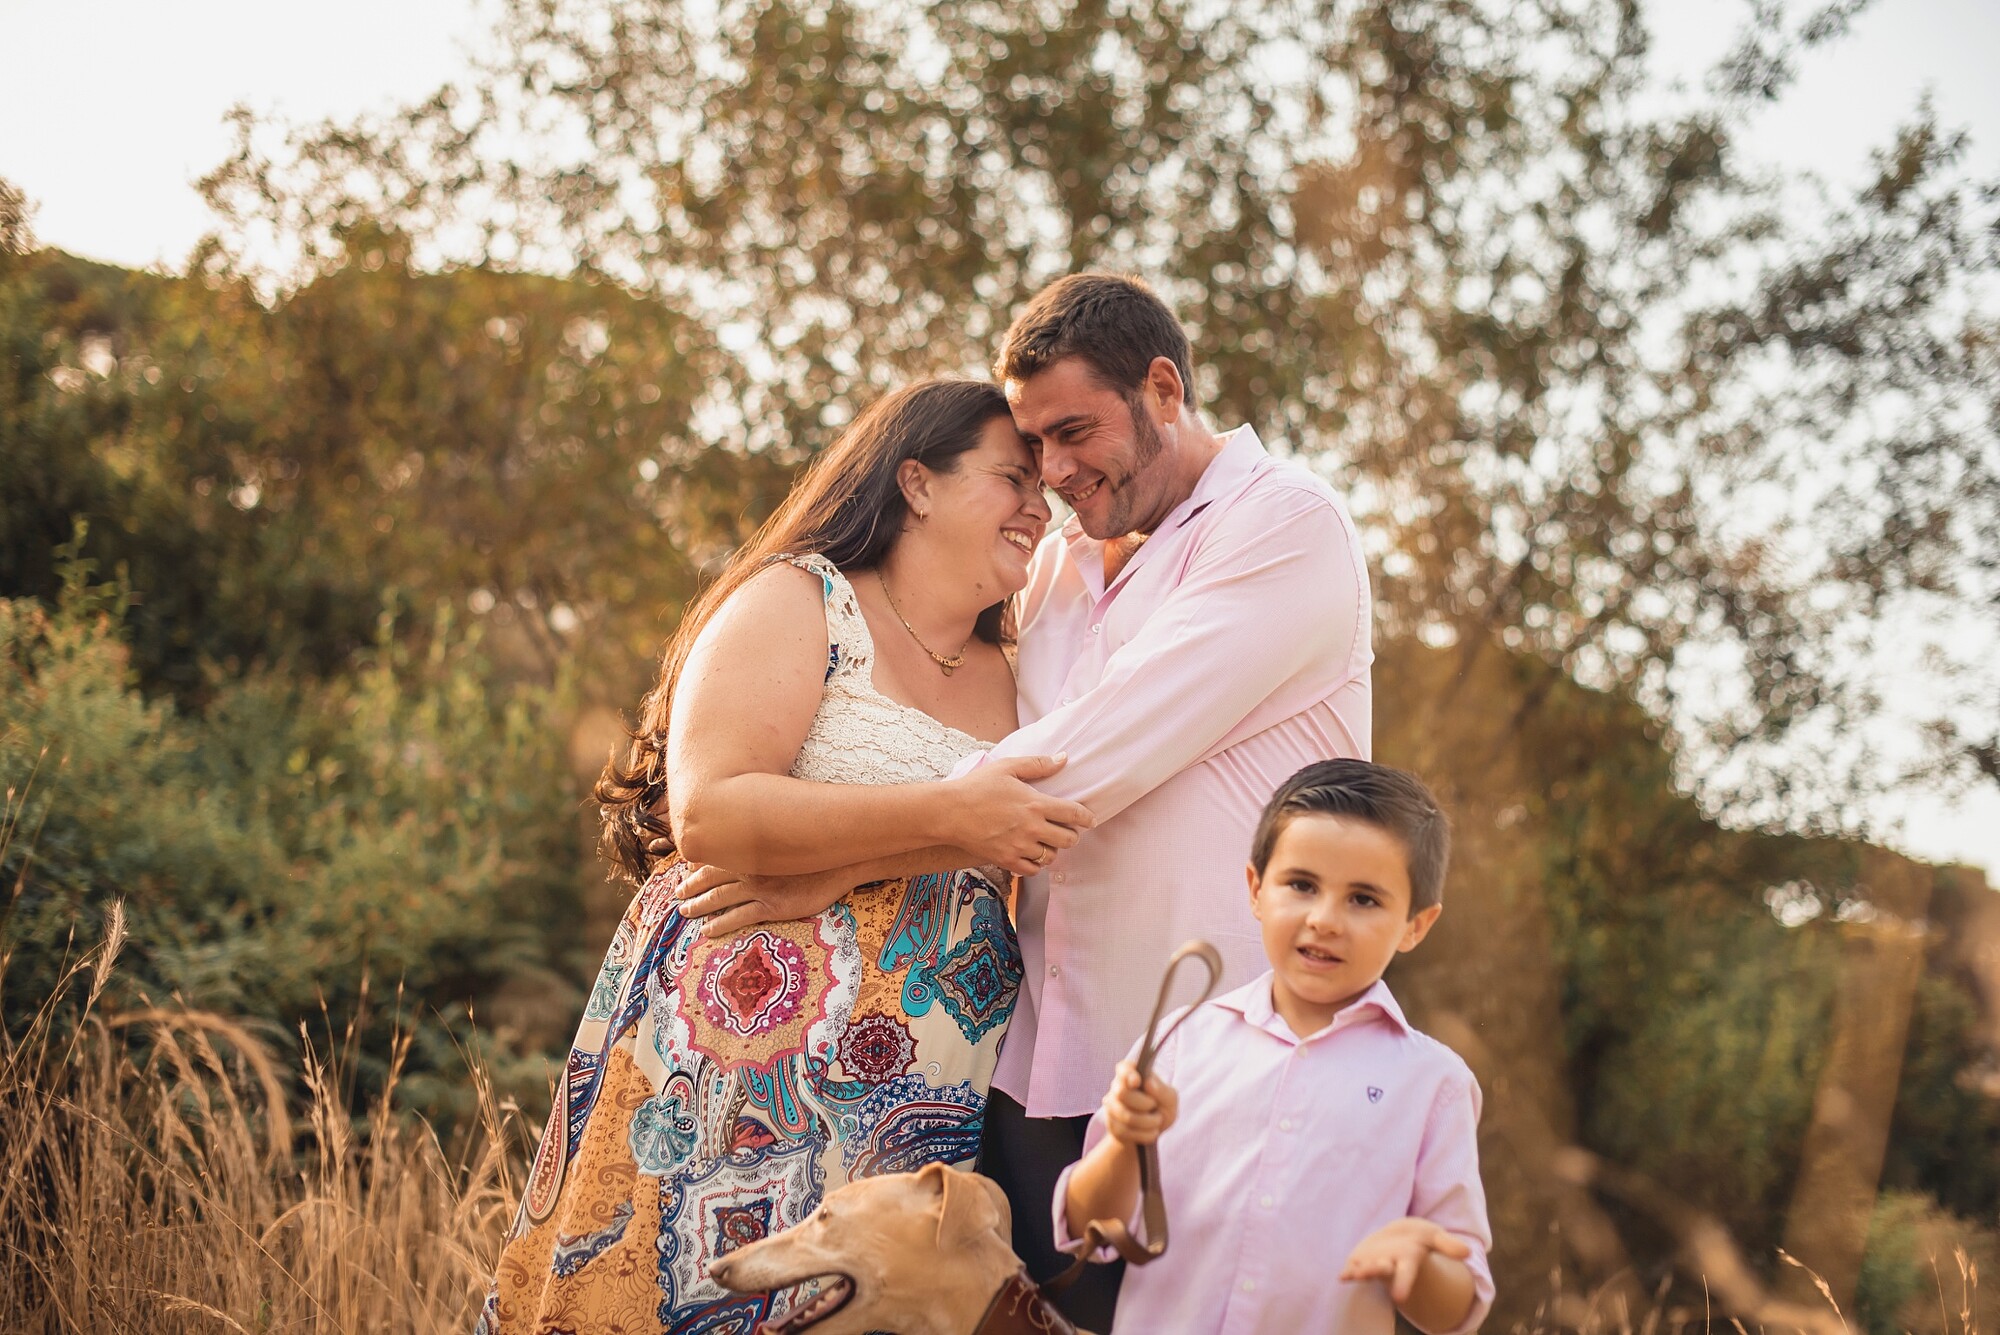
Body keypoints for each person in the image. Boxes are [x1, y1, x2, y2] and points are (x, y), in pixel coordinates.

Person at [675, 273, 1373, 1325]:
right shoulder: (1053, 570)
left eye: (1075, 432)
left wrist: (830, 860)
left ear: (1164, 388)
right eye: (1032, 446)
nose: (1053, 474)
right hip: (1030, 1067)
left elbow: (1083, 760)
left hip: (1215, 1066)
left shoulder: (1284, 526)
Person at [479, 379, 1097, 1334]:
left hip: (926, 1090)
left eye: (1044, 488)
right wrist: (947, 814)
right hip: (737, 1062)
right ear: (917, 481)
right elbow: (714, 809)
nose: (1039, 504)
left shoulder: (1017, 679)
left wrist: (857, 866)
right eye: (1013, 477)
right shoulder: (804, 598)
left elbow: (1000, 845)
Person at [1055, 759, 1494, 1335]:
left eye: (1363, 899)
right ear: (1257, 889)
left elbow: (1459, 1307)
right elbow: (1089, 1226)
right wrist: (1124, 1143)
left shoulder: (1435, 1082)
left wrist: (1421, 1263)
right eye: (1302, 885)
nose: (1324, 919)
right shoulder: (1180, 1042)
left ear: (1415, 924)